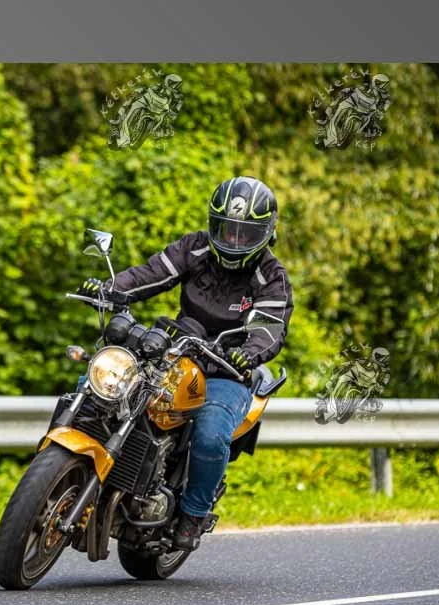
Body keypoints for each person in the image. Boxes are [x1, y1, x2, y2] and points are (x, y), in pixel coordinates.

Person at [77, 176, 293, 550]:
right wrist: (110, 290)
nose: (233, 240)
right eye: (226, 229)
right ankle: (72, 472)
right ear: (213, 223)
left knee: (210, 434)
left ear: (266, 233)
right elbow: (151, 274)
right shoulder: (195, 247)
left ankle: (193, 514)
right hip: (176, 351)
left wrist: (249, 353)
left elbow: (269, 327)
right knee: (100, 385)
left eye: (244, 233)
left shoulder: (271, 277)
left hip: (227, 370)